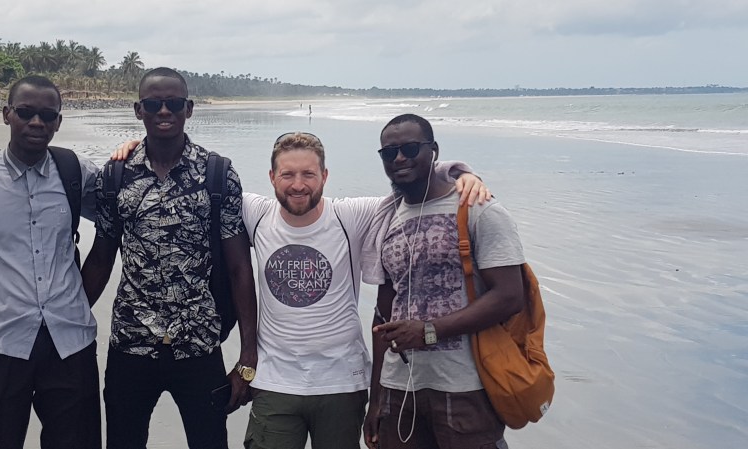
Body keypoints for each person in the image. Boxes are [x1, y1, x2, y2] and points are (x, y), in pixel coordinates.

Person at [110, 132, 490, 449]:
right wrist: (142, 147)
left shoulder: (350, 215)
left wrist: (458, 172)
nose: (298, 185)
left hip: (342, 382)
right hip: (274, 381)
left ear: (324, 175)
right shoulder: (254, 212)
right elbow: (187, 185)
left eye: (308, 174)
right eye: (287, 174)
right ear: (271, 177)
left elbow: (412, 186)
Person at [81, 67, 259, 449]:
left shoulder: (217, 174)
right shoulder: (114, 176)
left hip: (198, 343)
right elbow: (100, 259)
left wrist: (248, 353)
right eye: (153, 104)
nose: (164, 111)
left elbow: (239, 267)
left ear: (188, 109)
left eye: (174, 103)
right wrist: (68, 324)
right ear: (138, 110)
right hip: (131, 342)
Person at [0, 75, 101, 449]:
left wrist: (134, 151)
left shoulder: (76, 173)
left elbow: (126, 207)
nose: (36, 122)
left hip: (70, 341)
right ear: (6, 114)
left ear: (59, 121)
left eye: (48, 115)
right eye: (25, 112)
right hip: (0, 342)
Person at [361, 114, 526, 449]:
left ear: (433, 150)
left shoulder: (477, 208)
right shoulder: (386, 218)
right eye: (389, 153)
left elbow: (510, 295)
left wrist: (429, 331)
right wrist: (375, 400)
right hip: (399, 389)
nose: (400, 158)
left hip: (466, 387)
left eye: (410, 148)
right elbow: (383, 317)